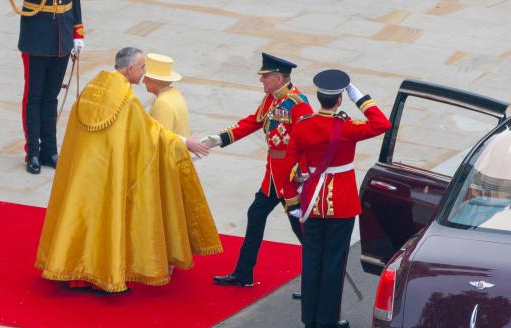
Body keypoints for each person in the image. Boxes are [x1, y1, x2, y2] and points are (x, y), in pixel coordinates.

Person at [35, 47, 222, 293]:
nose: (144, 73)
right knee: (106, 222)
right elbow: (149, 133)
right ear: (130, 68)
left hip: (84, 171)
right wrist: (184, 142)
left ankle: (71, 270)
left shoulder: (95, 85)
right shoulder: (126, 99)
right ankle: (104, 276)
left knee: (81, 219)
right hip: (109, 173)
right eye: (143, 67)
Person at [286, 69, 390, 328]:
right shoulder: (346, 127)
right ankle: (327, 321)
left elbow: (288, 162)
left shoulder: (303, 125)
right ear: (340, 100)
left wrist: (293, 199)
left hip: (310, 202)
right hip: (340, 204)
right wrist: (360, 96)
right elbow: (382, 124)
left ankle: (309, 320)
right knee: (334, 262)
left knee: (311, 260)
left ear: (318, 97)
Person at [201, 53, 312, 287]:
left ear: (280, 78)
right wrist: (220, 138)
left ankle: (315, 283)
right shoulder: (271, 99)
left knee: (303, 232)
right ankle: (244, 273)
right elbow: (252, 121)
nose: (262, 81)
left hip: (291, 178)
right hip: (273, 176)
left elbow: (308, 143)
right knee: (256, 215)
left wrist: (302, 175)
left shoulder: (299, 105)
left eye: (266, 77)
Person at [0, 0, 84, 174]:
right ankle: (32, 152)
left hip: (62, 38)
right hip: (36, 38)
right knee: (33, 97)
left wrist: (78, 33)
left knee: (51, 97)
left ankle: (50, 150)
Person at [144, 53, 190, 136]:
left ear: (154, 81)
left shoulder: (162, 103)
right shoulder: (175, 93)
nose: (143, 81)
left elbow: (162, 140)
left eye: (146, 78)